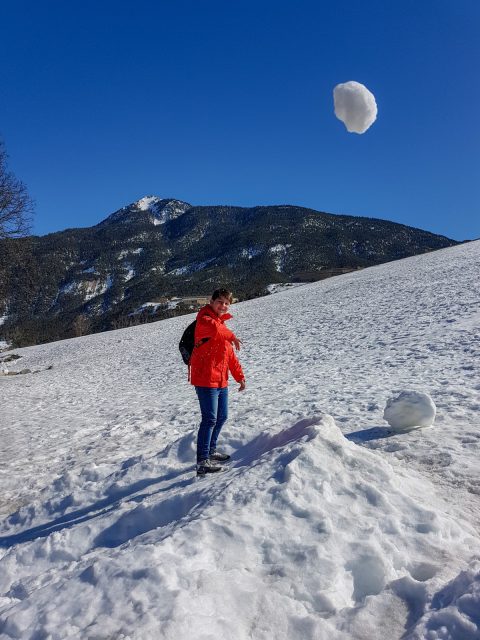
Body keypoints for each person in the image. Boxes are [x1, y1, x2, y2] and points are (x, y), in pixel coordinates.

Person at [189, 288, 246, 476]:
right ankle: (202, 461)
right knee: (210, 419)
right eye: (220, 302)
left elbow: (230, 357)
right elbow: (216, 329)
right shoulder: (204, 320)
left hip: (221, 380)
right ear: (211, 301)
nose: (223, 306)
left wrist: (240, 377)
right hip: (205, 379)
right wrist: (233, 336)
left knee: (222, 417)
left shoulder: (222, 327)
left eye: (226, 303)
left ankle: (211, 451)